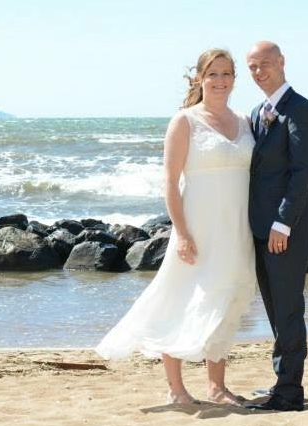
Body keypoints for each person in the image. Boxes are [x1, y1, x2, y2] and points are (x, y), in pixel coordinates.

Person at [95, 49, 256, 405]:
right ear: (199, 78)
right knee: (181, 300)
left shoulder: (245, 120)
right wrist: (181, 233)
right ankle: (177, 390)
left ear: (234, 79)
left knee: (224, 302)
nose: (220, 80)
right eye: (212, 73)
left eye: (227, 73)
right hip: (197, 229)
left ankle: (216, 388)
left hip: (236, 229)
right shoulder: (184, 121)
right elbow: (170, 183)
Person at [244, 41, 308, 412]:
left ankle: (289, 393)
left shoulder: (301, 110)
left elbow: (302, 173)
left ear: (282, 63)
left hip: (284, 230)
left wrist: (282, 223)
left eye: (265, 65)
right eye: (253, 67)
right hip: (260, 228)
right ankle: (284, 380)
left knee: (288, 308)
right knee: (275, 309)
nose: (259, 72)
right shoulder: (259, 112)